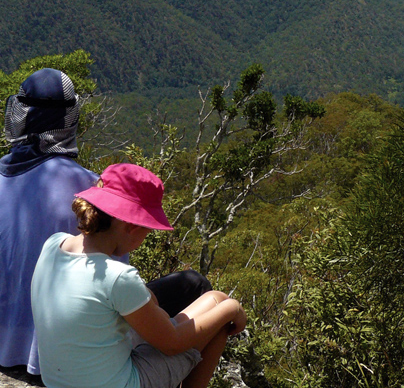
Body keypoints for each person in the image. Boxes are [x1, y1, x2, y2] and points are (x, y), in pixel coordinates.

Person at [0, 68, 213, 377]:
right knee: (195, 286)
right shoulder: (89, 190)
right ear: (70, 120)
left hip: (2, 342)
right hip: (53, 351)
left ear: (18, 114)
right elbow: (113, 281)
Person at [31, 164, 246, 388]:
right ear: (131, 226)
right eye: (147, 229)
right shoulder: (118, 277)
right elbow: (172, 344)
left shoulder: (54, 243)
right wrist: (233, 309)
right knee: (219, 317)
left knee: (215, 299)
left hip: (59, 381)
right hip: (123, 384)